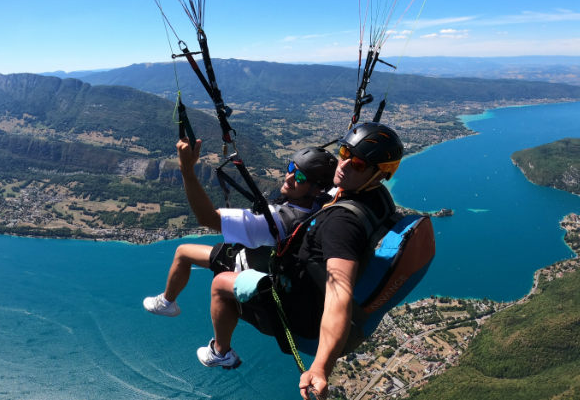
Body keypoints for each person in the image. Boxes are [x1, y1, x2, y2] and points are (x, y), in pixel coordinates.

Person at [200, 122, 403, 395]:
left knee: (221, 283)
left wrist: (320, 367)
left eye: (356, 163)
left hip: (300, 312)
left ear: (379, 174)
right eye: (343, 152)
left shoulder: (340, 224)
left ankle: (220, 351)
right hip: (309, 290)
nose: (343, 164)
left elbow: (338, 296)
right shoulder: (376, 197)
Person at [141, 139, 337, 349]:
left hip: (252, 269)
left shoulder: (274, 223)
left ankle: (221, 351)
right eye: (291, 168)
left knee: (218, 285)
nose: (289, 177)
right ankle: (167, 302)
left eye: (299, 177)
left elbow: (207, 218)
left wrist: (186, 170)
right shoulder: (326, 201)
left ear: (316, 188)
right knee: (183, 252)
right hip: (264, 259)